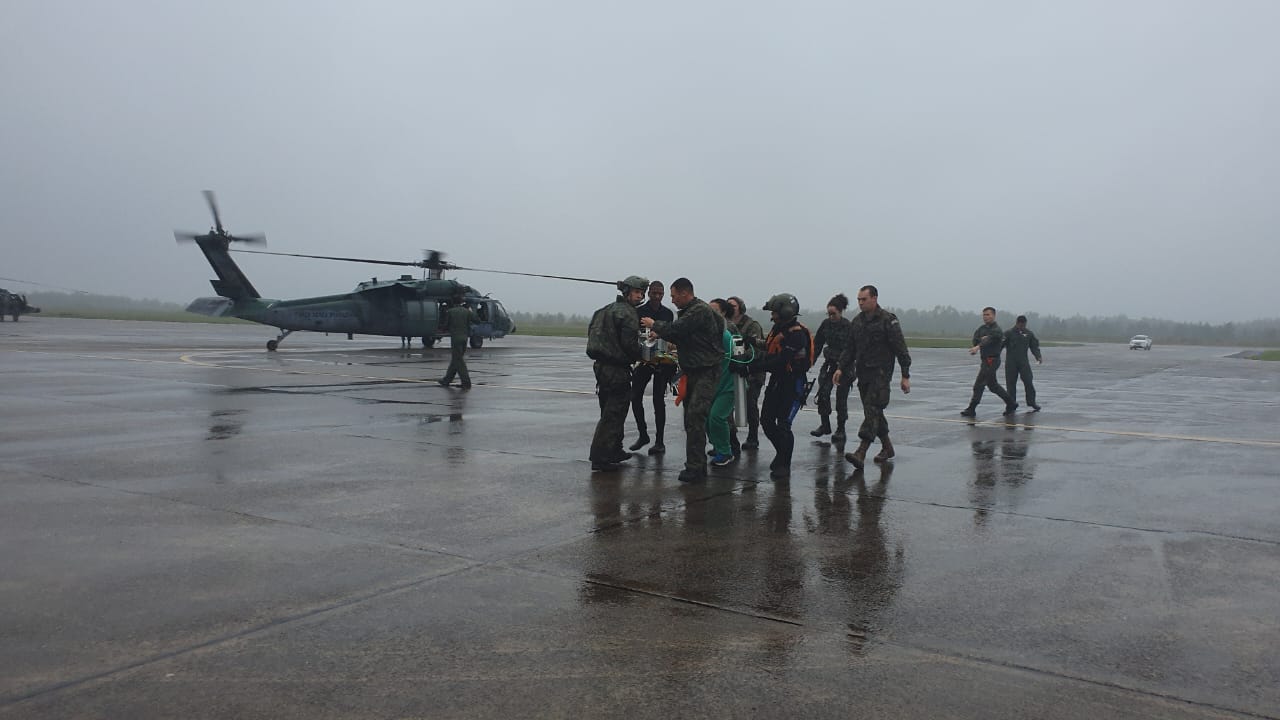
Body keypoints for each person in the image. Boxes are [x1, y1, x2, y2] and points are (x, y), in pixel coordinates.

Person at [641, 278, 724, 483]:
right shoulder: (691, 311)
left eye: (673, 295)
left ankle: (696, 468)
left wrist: (654, 324)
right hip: (692, 371)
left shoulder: (699, 310)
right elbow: (682, 335)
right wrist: (662, 335)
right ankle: (695, 465)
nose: (672, 300)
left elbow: (677, 329)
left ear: (684, 293)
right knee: (690, 418)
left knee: (695, 416)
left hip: (706, 371)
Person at [834, 285, 912, 469]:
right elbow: (850, 348)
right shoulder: (857, 322)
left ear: (874, 298)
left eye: (864, 299)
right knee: (874, 412)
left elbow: (901, 348)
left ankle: (861, 452)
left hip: (881, 375)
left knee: (872, 409)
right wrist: (840, 368)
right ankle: (887, 448)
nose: (860, 303)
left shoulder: (888, 320)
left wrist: (905, 375)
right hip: (863, 374)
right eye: (859, 300)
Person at [743, 293, 812, 480]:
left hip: (793, 382)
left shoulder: (797, 335)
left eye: (774, 312)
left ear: (785, 312)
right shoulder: (779, 329)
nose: (772, 316)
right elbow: (770, 346)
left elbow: (780, 360)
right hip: (777, 382)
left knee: (783, 425)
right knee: (766, 421)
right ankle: (782, 453)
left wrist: (750, 367)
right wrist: (752, 342)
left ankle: (784, 464)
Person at [587, 276, 648, 471]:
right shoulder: (628, 313)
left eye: (642, 293)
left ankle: (614, 449)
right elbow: (629, 345)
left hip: (601, 367)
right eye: (637, 292)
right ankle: (600, 456)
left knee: (609, 409)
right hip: (616, 369)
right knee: (614, 413)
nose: (640, 296)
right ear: (627, 292)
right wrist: (646, 354)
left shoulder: (603, 310)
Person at [629, 281, 677, 455]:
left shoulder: (667, 313)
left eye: (660, 294)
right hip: (643, 359)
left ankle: (659, 441)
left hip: (662, 360)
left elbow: (671, 335)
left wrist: (660, 333)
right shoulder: (639, 312)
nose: (657, 296)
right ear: (649, 293)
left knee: (658, 400)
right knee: (635, 397)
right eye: (654, 293)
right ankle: (643, 434)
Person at [810, 293, 853, 442]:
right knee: (823, 393)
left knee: (841, 399)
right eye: (829, 314)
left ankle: (841, 429)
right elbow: (817, 344)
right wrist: (810, 361)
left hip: (845, 366)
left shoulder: (848, 326)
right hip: (829, 364)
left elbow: (851, 349)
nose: (831, 317)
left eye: (833, 314)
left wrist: (842, 367)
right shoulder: (826, 324)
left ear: (841, 312)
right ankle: (825, 425)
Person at [726, 296, 766, 450]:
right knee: (727, 407)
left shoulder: (752, 325)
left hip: (752, 371)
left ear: (740, 308)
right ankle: (731, 439)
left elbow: (757, 349)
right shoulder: (726, 325)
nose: (730, 308)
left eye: (733, 306)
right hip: (732, 370)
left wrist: (739, 358)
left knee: (749, 405)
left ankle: (753, 436)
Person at [961, 306, 1016, 417]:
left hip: (992, 360)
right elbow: (976, 339)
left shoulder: (997, 330)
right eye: (984, 315)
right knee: (993, 386)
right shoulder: (981, 329)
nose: (985, 317)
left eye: (988, 314)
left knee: (979, 384)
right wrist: (978, 344)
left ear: (993, 316)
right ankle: (1011, 403)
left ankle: (972, 408)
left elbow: (990, 339)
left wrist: (979, 345)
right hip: (985, 360)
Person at [705, 299, 737, 466]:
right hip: (715, 384)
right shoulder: (711, 332)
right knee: (707, 418)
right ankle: (718, 446)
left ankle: (726, 452)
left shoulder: (724, 335)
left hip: (729, 384)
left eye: (715, 311)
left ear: (723, 313)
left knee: (717, 417)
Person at [438, 295, 480, 389]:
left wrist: (441, 329)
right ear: (461, 302)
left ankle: (466, 382)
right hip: (464, 338)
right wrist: (471, 311)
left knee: (459, 361)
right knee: (456, 360)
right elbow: (477, 321)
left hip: (455, 339)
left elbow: (445, 325)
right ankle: (446, 380)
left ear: (453, 302)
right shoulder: (467, 312)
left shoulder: (450, 312)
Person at [1003, 315, 1043, 411]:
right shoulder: (1008, 333)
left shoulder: (1029, 334)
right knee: (1011, 384)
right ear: (1017, 323)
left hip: (1023, 362)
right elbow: (1000, 345)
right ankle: (1011, 404)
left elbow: (1034, 346)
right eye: (1020, 325)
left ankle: (1031, 402)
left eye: (1023, 325)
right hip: (1011, 362)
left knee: (1028, 381)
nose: (1022, 327)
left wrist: (1038, 356)